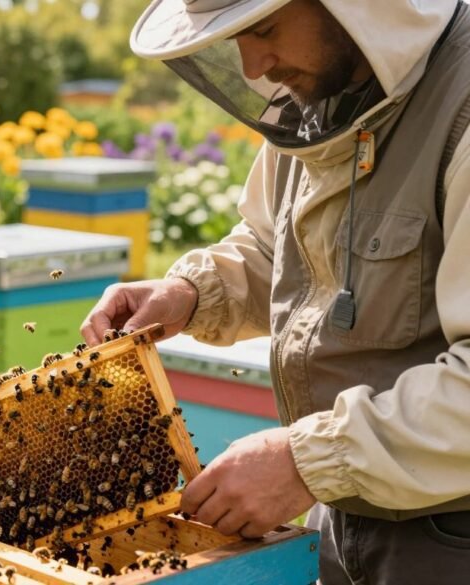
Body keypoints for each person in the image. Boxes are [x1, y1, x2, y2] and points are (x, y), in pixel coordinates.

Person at [80, 0, 470, 582]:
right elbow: (281, 247)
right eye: (234, 36)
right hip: (343, 516)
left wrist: (303, 461)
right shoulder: (322, 97)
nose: (255, 65)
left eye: (263, 28)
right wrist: (192, 291)